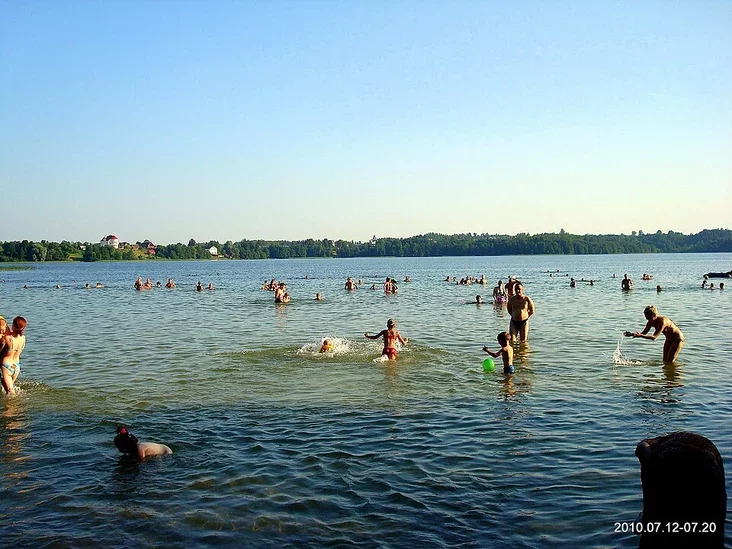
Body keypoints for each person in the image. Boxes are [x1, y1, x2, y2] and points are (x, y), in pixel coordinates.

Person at [1, 316, 27, 395]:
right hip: (16, 366)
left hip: (7, 366)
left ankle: (12, 406)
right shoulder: (23, 338)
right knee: (8, 389)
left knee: (10, 392)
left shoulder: (7, 338)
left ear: (13, 326)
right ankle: (17, 406)